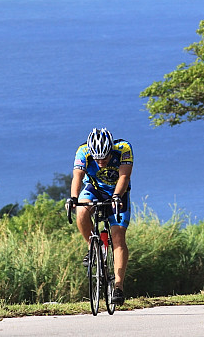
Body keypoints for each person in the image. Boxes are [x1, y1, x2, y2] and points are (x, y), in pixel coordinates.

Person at [65, 128, 133, 305]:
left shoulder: (124, 148)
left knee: (118, 237)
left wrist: (117, 196)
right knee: (81, 211)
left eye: (104, 157)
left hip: (118, 192)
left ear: (111, 150)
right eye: (97, 158)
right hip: (94, 189)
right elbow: (77, 177)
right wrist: (73, 198)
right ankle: (92, 247)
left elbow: (124, 176)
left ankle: (118, 286)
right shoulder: (83, 151)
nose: (101, 161)